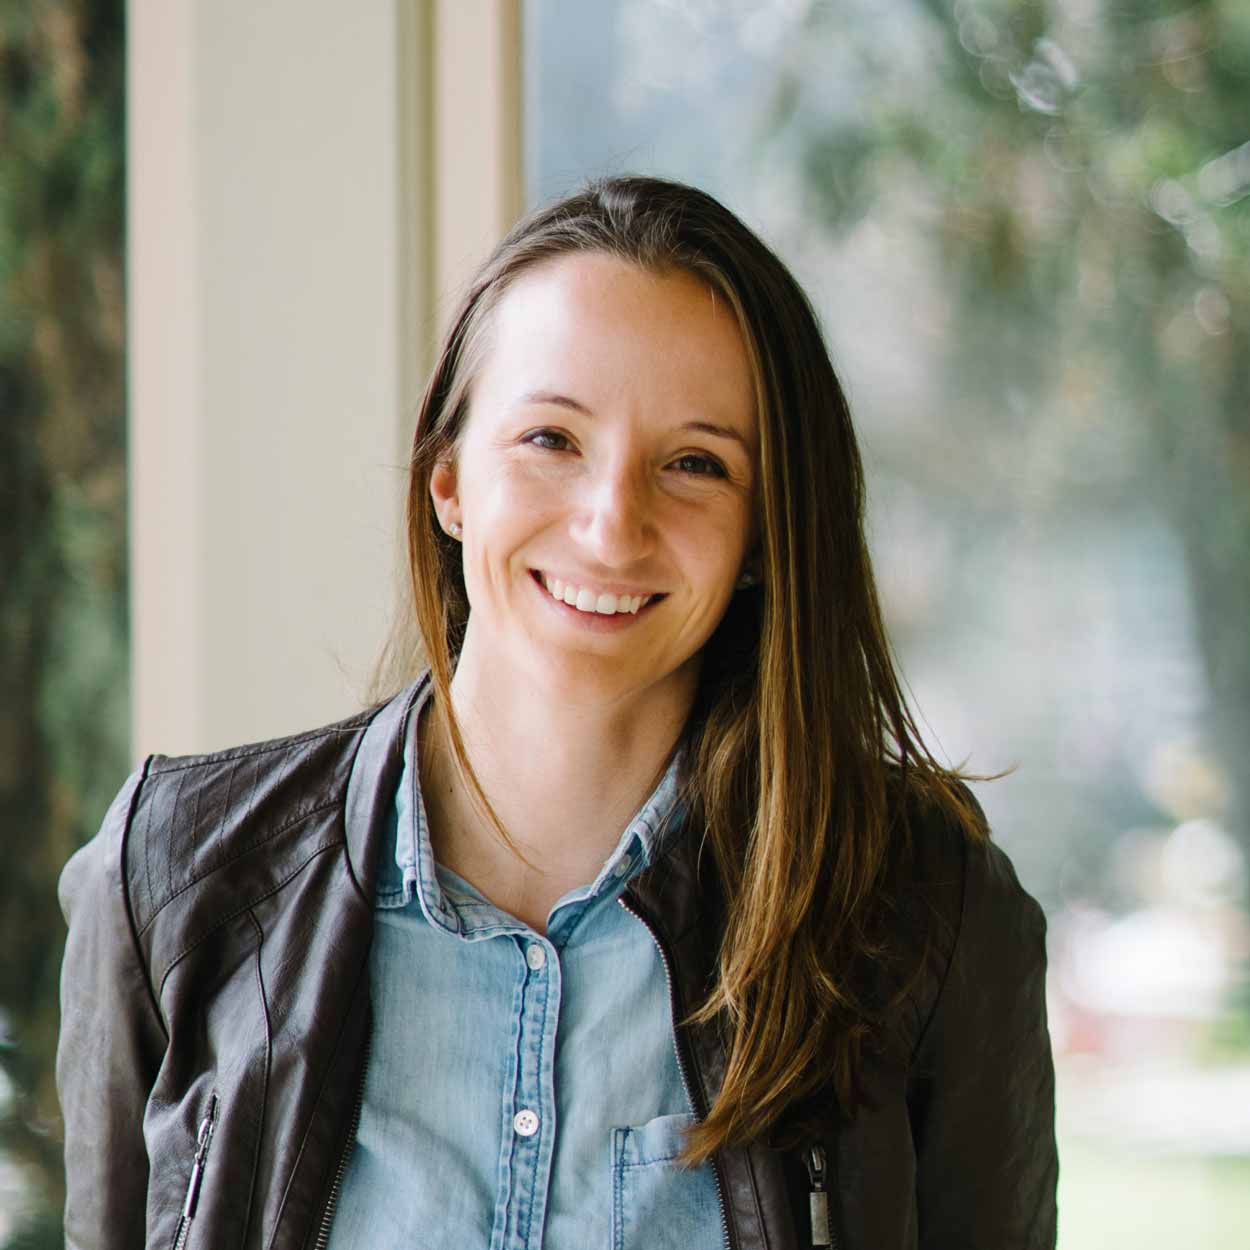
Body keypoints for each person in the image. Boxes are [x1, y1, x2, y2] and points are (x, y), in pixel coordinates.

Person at [56, 174, 1058, 1249]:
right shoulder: (173, 872)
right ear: (447, 478)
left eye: (693, 463)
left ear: (764, 533)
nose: (610, 521)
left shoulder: (924, 911)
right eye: (550, 438)